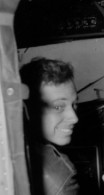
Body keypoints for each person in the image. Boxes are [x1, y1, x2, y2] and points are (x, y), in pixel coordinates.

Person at [20, 57, 80, 195]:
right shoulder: (61, 177)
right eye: (58, 106)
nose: (75, 118)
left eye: (74, 104)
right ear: (27, 110)